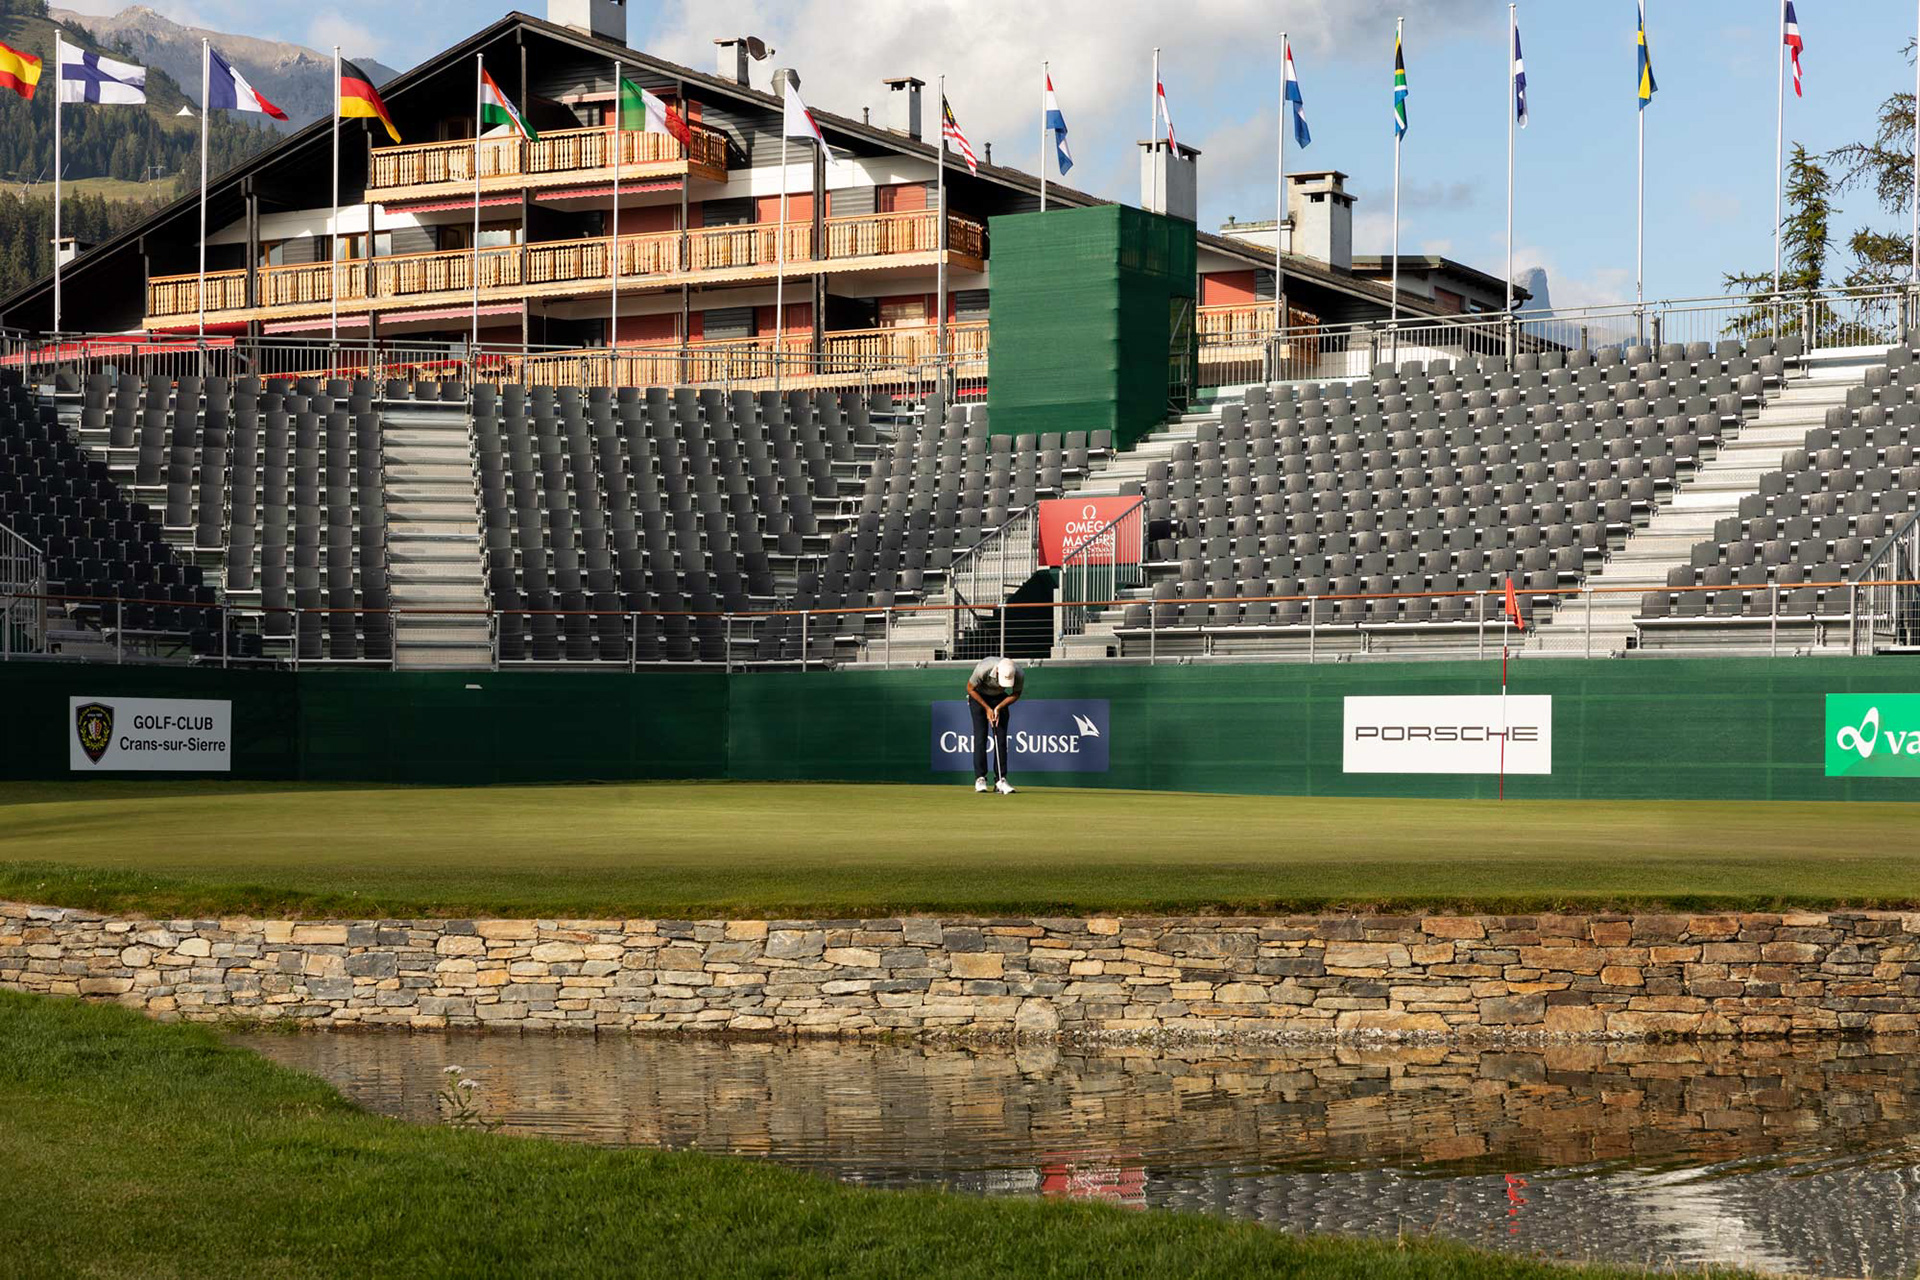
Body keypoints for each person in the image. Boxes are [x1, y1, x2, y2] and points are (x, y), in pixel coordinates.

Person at [966, 656, 1024, 794]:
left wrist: (998, 708)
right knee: (981, 737)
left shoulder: (1019, 673)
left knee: (1001, 738)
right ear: (997, 672)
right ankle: (980, 779)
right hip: (978, 696)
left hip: (1000, 699)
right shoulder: (983, 669)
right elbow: (969, 688)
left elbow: (1016, 693)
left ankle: (1000, 780)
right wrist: (987, 708)